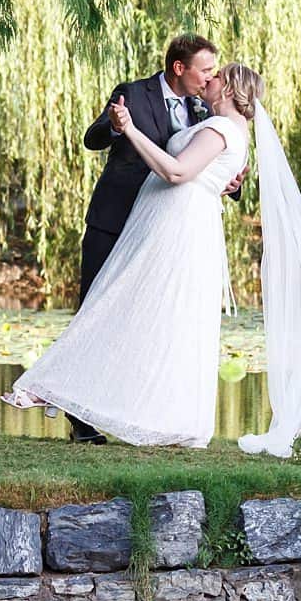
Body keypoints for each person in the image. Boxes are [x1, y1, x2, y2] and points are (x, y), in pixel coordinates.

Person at [1, 63, 301, 454]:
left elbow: (177, 172)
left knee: (123, 306)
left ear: (228, 89)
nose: (209, 80)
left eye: (216, 76)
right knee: (156, 320)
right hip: (174, 225)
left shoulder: (221, 129)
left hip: (177, 230)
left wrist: (131, 130)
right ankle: (119, 405)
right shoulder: (226, 127)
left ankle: (53, 386)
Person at [57, 35, 246, 442]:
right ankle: (81, 419)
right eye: (205, 70)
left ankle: (135, 412)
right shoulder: (134, 94)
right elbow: (93, 138)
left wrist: (231, 183)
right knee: (97, 311)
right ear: (179, 68)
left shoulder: (205, 109)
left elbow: (208, 162)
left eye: (213, 72)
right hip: (116, 220)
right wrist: (116, 125)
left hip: (165, 233)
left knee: (151, 323)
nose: (210, 77)